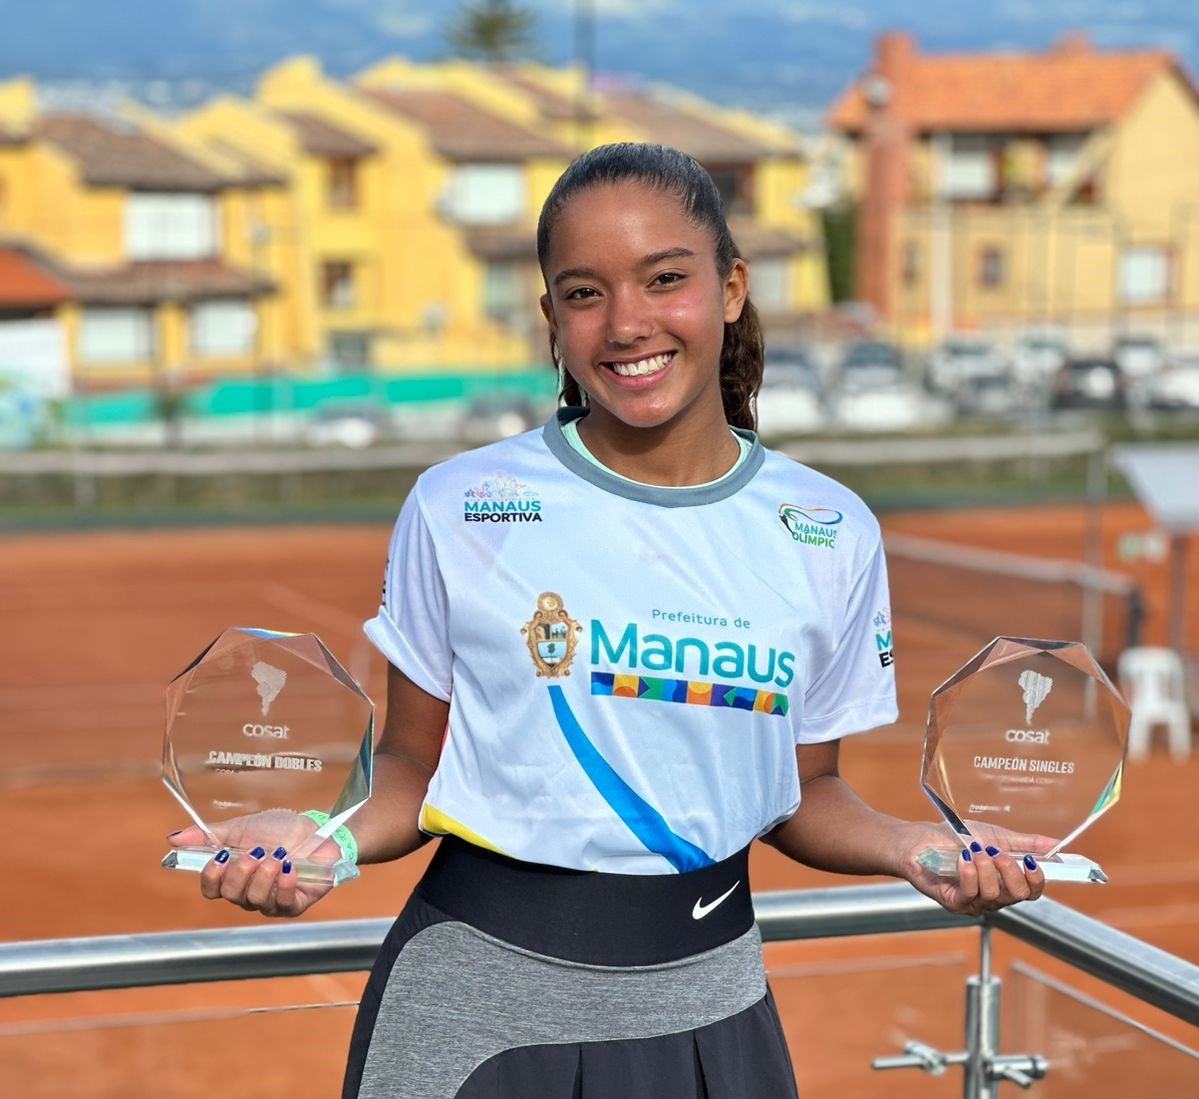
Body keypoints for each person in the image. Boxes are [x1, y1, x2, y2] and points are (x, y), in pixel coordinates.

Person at [169, 143, 1051, 1099]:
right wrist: (317, 836)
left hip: (718, 1014)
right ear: (552, 319)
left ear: (729, 288)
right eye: (584, 293)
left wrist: (918, 850)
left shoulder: (828, 528)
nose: (627, 324)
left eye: (665, 279)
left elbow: (804, 793)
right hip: (475, 1017)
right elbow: (414, 771)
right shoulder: (462, 504)